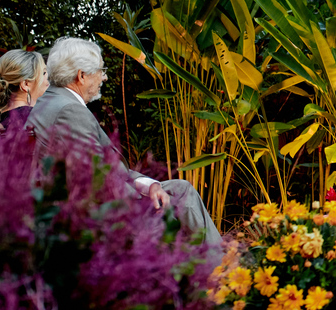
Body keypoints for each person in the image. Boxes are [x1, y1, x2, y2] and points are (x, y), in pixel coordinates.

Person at [26, 37, 221, 248]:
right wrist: (142, 198)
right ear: (81, 76)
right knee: (182, 200)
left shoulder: (51, 100)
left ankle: (217, 266)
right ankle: (219, 270)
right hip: (92, 215)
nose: (104, 78)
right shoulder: (69, 111)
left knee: (181, 188)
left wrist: (149, 186)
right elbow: (99, 181)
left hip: (77, 201)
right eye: (101, 71)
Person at [0, 50, 48, 137]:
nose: (47, 78)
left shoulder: (2, 117)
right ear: (26, 84)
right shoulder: (32, 117)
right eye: (44, 73)